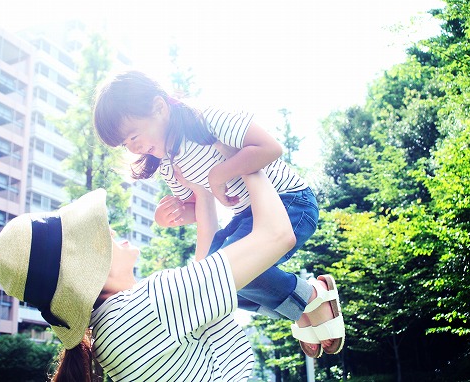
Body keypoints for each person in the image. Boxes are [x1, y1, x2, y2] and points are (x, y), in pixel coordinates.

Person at [0, 169, 341, 381]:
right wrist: (247, 161)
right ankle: (310, 296)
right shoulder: (148, 306)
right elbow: (277, 235)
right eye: (102, 235)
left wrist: (203, 193)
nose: (112, 232)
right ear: (88, 266)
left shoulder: (113, 325)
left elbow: (204, 265)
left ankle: (303, 302)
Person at [93, 70, 344, 357]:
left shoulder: (207, 119)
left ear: (159, 108)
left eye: (134, 136)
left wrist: (218, 175)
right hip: (247, 217)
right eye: (126, 144)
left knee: (229, 270)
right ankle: (300, 304)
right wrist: (172, 216)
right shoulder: (168, 164)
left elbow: (270, 147)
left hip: (291, 203)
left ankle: (309, 298)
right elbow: (198, 207)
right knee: (213, 284)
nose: (134, 148)